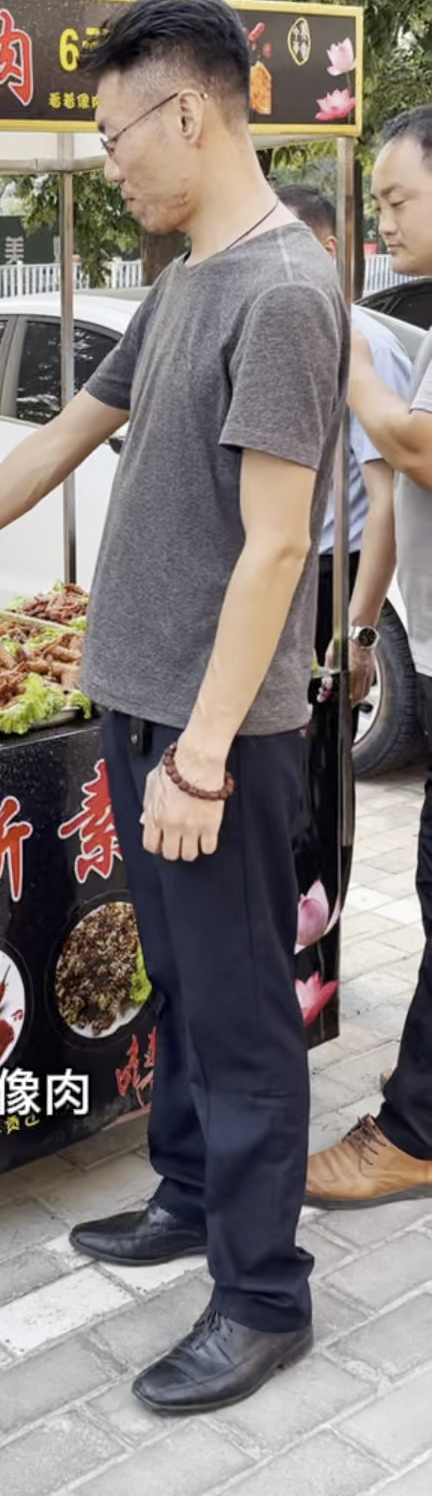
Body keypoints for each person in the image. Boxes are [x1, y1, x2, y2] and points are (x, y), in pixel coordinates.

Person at [0, 0, 348, 1413]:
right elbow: (70, 430)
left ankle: (261, 1297)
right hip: (140, 712)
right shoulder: (185, 280)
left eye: (116, 134)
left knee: (244, 1013)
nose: (108, 162)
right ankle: (187, 1193)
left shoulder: (287, 293)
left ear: (187, 112)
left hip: (213, 743)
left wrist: (195, 759)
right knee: (182, 984)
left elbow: (272, 551)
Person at [307, 108, 432, 1206]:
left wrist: (334, 334)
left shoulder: (378, 345)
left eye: (397, 199)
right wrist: (364, 631)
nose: (382, 219)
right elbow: (394, 496)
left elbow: (405, 445)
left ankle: (416, 1130)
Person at [275, 185, 409, 708]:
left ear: (327, 251)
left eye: (284, 245)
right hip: (284, 566)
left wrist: (358, 632)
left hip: (333, 577)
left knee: (320, 764)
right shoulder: (282, 335)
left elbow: (388, 498)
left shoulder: (363, 344)